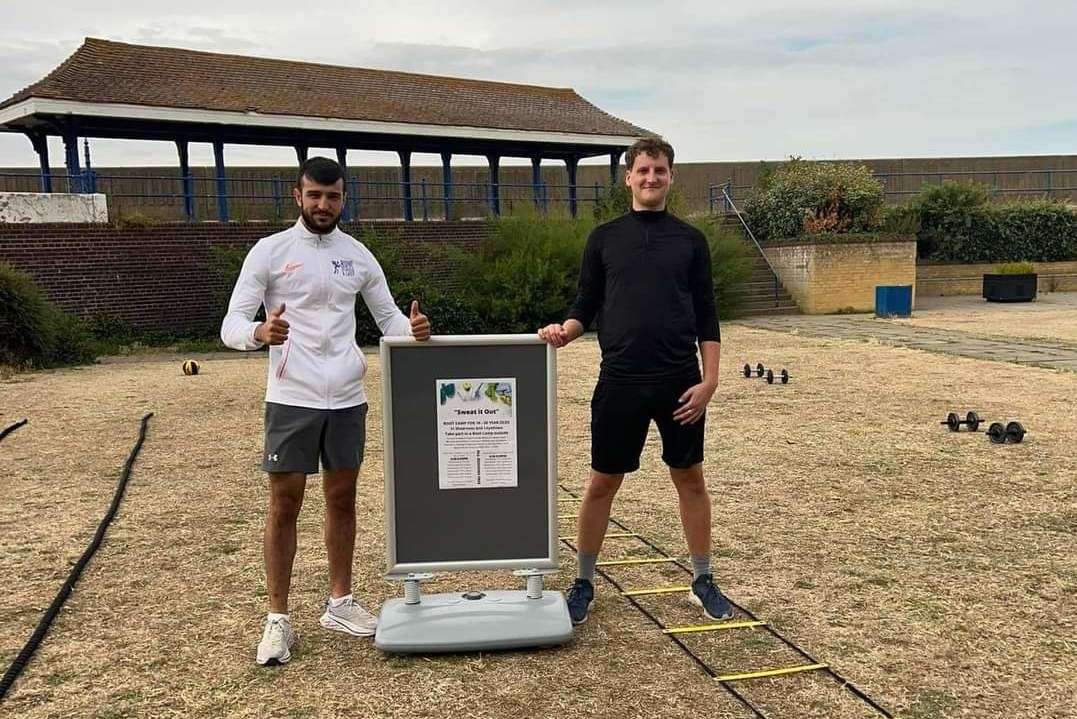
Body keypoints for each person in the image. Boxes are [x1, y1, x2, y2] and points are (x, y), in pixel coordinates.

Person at [221, 156, 431, 665]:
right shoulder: (269, 252)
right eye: (314, 195)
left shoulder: (358, 255)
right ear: (298, 196)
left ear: (343, 198)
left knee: (342, 500)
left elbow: (388, 320)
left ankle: (340, 602)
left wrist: (414, 330)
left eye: (332, 196)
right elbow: (230, 324)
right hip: (291, 397)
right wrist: (258, 333)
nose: (323, 205)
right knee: (285, 503)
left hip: (346, 398)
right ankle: (278, 619)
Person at [538, 136, 732, 626]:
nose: (651, 178)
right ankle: (583, 582)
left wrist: (709, 382)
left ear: (671, 176)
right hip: (620, 380)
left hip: (680, 383)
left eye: (660, 171)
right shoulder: (604, 238)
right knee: (603, 481)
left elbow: (707, 316)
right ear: (628, 177)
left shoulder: (691, 240)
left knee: (690, 477)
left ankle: (702, 578)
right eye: (643, 170)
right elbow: (586, 304)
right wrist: (566, 330)